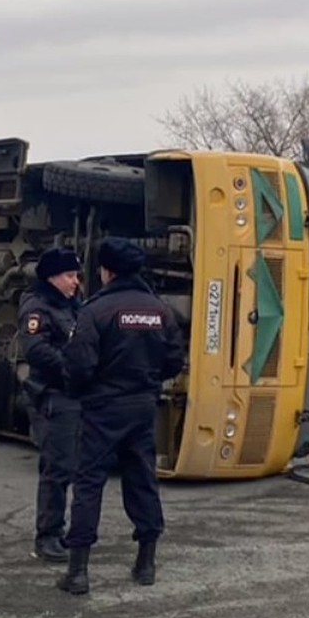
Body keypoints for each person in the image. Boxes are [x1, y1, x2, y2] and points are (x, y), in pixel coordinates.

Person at [57, 237, 186, 596]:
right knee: (142, 479)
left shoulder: (94, 311)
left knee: (88, 484)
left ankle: (78, 572)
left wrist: (81, 390)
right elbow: (174, 360)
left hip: (102, 408)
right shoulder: (160, 310)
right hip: (143, 405)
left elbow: (79, 365)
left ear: (107, 271)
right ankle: (146, 564)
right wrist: (145, 382)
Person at [18, 247, 83, 563]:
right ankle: (47, 536)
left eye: (77, 275)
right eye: (69, 276)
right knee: (57, 468)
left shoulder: (70, 305)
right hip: (52, 395)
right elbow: (35, 348)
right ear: (52, 277)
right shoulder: (37, 307)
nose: (76, 282)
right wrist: (70, 366)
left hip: (71, 394)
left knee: (69, 465)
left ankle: (59, 531)